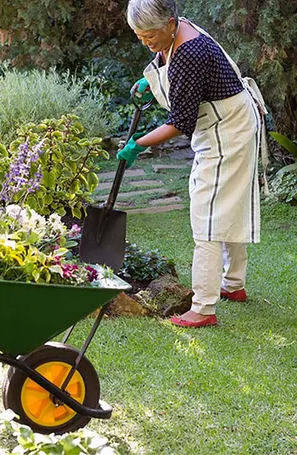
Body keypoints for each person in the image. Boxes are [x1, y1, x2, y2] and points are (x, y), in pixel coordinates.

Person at [117, 0, 268, 327]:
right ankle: (234, 285)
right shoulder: (177, 33)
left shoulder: (190, 53)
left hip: (227, 132)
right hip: (229, 121)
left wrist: (138, 144)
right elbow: (164, 53)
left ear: (170, 23)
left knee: (207, 214)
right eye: (139, 36)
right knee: (228, 206)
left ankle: (202, 308)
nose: (146, 42)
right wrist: (151, 76)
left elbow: (181, 121)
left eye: (150, 35)